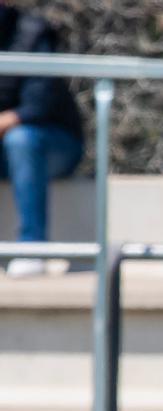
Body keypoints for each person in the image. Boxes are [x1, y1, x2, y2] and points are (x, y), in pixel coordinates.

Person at [0, 2, 83, 276]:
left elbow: (39, 103)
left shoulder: (32, 31)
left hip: (53, 144)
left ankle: (32, 247)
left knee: (20, 140)